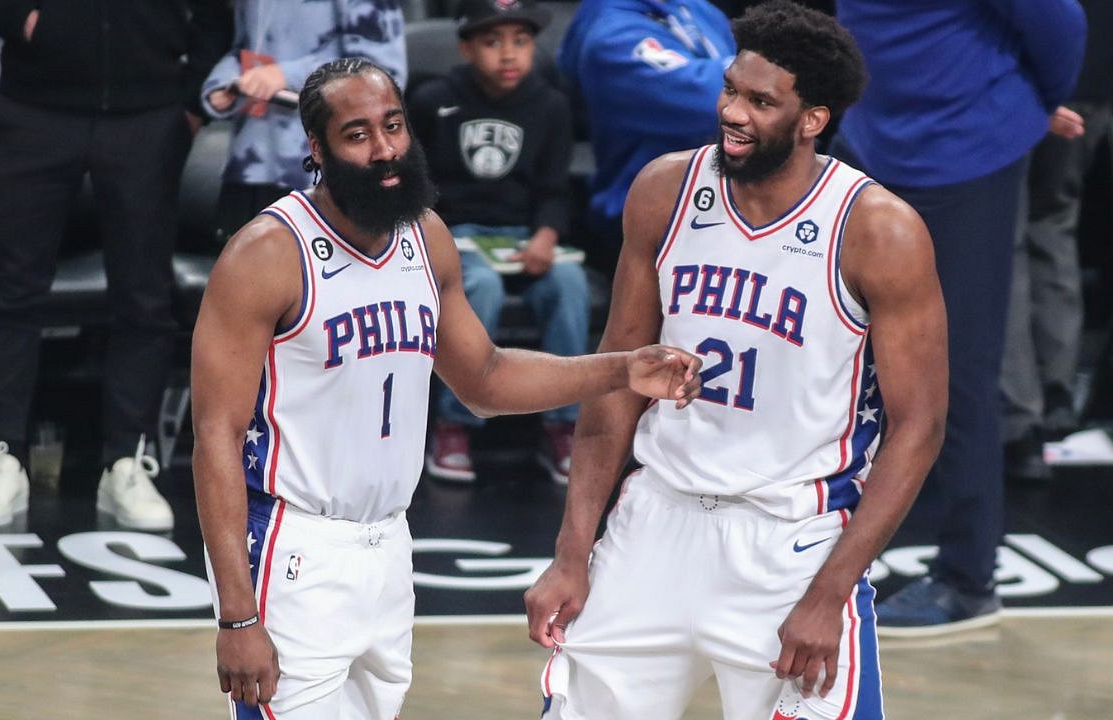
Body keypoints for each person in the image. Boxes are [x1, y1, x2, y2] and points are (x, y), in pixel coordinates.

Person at [190, 57, 701, 719]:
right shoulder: (265, 254)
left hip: (389, 547)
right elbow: (215, 438)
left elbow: (484, 379)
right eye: (357, 134)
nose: (384, 150)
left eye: (394, 126)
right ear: (316, 149)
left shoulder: (424, 237)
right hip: (292, 548)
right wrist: (236, 617)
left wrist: (620, 368)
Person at [525, 3, 947, 718]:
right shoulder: (665, 191)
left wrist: (829, 593)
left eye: (759, 101)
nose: (731, 112)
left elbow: (920, 426)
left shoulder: (877, 230)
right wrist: (573, 550)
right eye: (730, 90)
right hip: (653, 522)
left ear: (812, 119)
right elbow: (615, 379)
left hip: (789, 541)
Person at [831, 0, 1086, 634]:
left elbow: (1060, 24)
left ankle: (968, 577)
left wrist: (1027, 100)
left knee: (957, 369)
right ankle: (836, 541)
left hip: (966, 156)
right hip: (871, 142)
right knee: (840, 352)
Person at [0, 0, 230, 530]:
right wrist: (16, 17)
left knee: (144, 298)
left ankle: (126, 459)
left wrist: (191, 95)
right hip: (36, 105)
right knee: (11, 291)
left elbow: (220, 14)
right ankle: (3, 456)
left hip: (148, 109)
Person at [409, 0, 588, 484]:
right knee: (479, 287)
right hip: (455, 236)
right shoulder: (432, 100)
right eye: (492, 42)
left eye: (521, 41)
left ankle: (563, 426)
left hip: (524, 238)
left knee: (569, 285)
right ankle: (454, 424)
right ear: (466, 46)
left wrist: (547, 238)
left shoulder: (550, 105)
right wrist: (439, 239)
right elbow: (417, 188)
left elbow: (556, 189)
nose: (509, 54)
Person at [1001, 0, 1111, 483]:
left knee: (1006, 242)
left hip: (1033, 84)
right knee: (1053, 226)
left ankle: (1018, 418)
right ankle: (1057, 392)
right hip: (1091, 78)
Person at [201, 0, 406, 243]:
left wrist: (286, 75)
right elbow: (243, 49)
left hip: (323, 172)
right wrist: (224, 81)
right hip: (250, 165)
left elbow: (382, 72)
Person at [557, 0, 734, 275]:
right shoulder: (609, 34)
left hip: (724, 211)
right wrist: (769, 73)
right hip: (652, 222)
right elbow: (711, 104)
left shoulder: (698, 9)